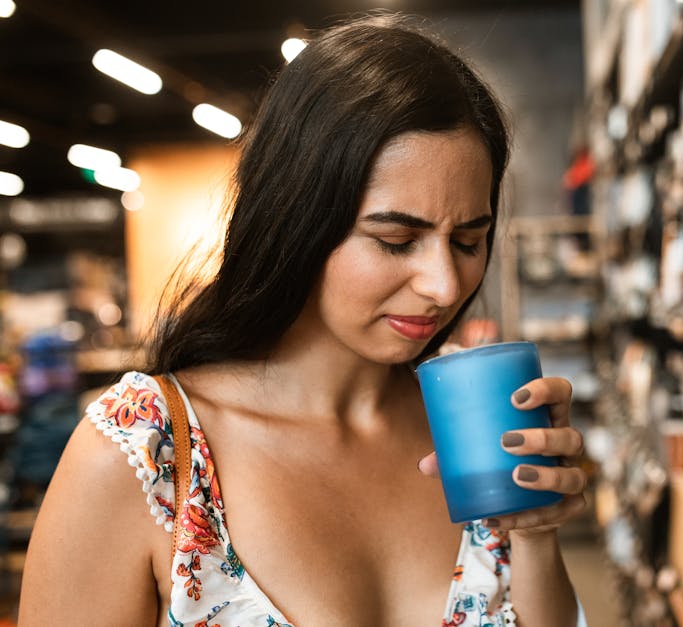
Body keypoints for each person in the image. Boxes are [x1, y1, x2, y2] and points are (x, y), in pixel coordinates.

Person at [18, 13, 589, 627]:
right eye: (397, 240)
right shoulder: (146, 453)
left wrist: (535, 533)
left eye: (469, 241)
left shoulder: (472, 436)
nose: (444, 285)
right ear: (297, 221)